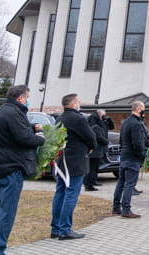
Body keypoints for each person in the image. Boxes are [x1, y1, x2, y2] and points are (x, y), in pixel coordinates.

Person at [0, 85, 44, 255]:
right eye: (27, 97)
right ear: (21, 98)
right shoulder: (15, 113)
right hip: (12, 167)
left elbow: (13, 133)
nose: (28, 100)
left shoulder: (3, 110)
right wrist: (39, 139)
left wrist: (31, 127)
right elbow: (24, 138)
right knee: (6, 212)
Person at [51, 93, 97, 240]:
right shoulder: (78, 119)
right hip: (75, 161)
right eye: (77, 101)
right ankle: (65, 229)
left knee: (60, 193)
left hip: (62, 160)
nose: (79, 103)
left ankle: (56, 228)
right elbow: (90, 136)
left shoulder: (59, 118)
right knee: (71, 193)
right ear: (72, 104)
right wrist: (91, 146)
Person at [113, 100, 148, 218]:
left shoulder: (125, 122)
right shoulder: (136, 124)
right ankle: (126, 210)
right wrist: (142, 155)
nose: (145, 112)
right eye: (143, 109)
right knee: (129, 184)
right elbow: (138, 143)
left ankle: (116, 207)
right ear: (138, 109)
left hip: (124, 156)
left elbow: (121, 141)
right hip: (132, 158)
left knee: (121, 183)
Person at [84, 110, 109, 191]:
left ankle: (91, 182)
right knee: (92, 168)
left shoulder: (91, 125)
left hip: (95, 151)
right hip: (95, 151)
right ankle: (89, 184)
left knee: (93, 168)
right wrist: (106, 141)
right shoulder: (96, 127)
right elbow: (99, 138)